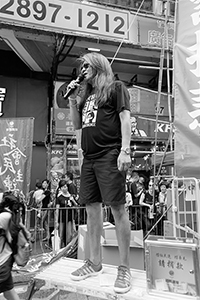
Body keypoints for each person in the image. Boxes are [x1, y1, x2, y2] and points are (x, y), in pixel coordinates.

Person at [66, 52, 132, 293]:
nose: (82, 70)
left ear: (97, 66)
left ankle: (124, 268)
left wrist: (125, 150)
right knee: (91, 208)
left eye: (86, 66)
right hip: (90, 157)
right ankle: (94, 262)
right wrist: (73, 100)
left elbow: (125, 119)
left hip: (110, 153)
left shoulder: (115, 87)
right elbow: (77, 126)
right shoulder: (87, 95)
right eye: (81, 66)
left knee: (117, 207)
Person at [0, 192, 21, 300]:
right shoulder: (12, 216)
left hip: (2, 263)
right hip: (6, 259)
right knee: (9, 292)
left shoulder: (4, 216)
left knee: (9, 292)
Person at [55, 180, 77, 247]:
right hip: (61, 218)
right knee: (61, 235)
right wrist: (56, 221)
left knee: (69, 235)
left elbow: (76, 205)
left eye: (66, 186)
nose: (65, 188)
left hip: (69, 218)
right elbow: (57, 209)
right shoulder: (59, 197)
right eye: (63, 187)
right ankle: (60, 249)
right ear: (60, 188)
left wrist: (72, 200)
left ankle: (68, 249)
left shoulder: (70, 196)